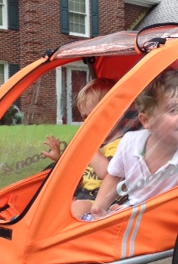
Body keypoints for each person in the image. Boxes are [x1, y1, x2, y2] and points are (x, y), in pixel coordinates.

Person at [90, 68, 178, 218]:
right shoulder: (130, 142)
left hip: (170, 221)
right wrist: (98, 209)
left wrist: (129, 215)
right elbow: (114, 177)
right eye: (174, 110)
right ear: (147, 121)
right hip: (133, 213)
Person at [42, 78, 123, 218]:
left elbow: (107, 172)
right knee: (50, 200)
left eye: (93, 115)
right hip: (83, 194)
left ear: (116, 112)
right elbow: (78, 173)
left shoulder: (123, 144)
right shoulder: (96, 145)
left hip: (106, 201)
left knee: (76, 208)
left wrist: (90, 147)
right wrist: (59, 159)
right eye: (85, 118)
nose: (87, 123)